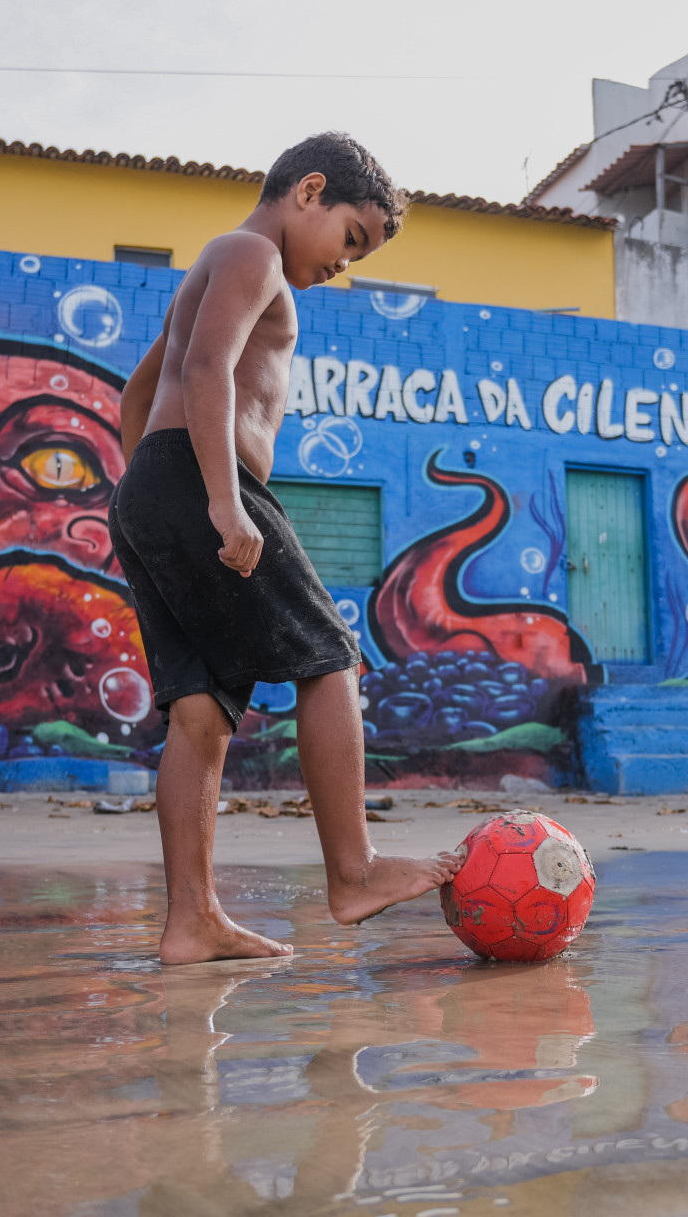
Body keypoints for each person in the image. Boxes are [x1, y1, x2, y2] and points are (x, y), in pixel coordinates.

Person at [111, 132, 461, 964]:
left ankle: (191, 921)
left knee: (199, 714)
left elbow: (139, 389)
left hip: (158, 487)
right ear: (308, 192)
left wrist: (142, 497)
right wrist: (224, 504)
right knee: (330, 656)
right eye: (351, 239)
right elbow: (205, 371)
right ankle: (354, 872)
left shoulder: (220, 265)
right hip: (207, 482)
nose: (349, 263)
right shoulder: (250, 254)